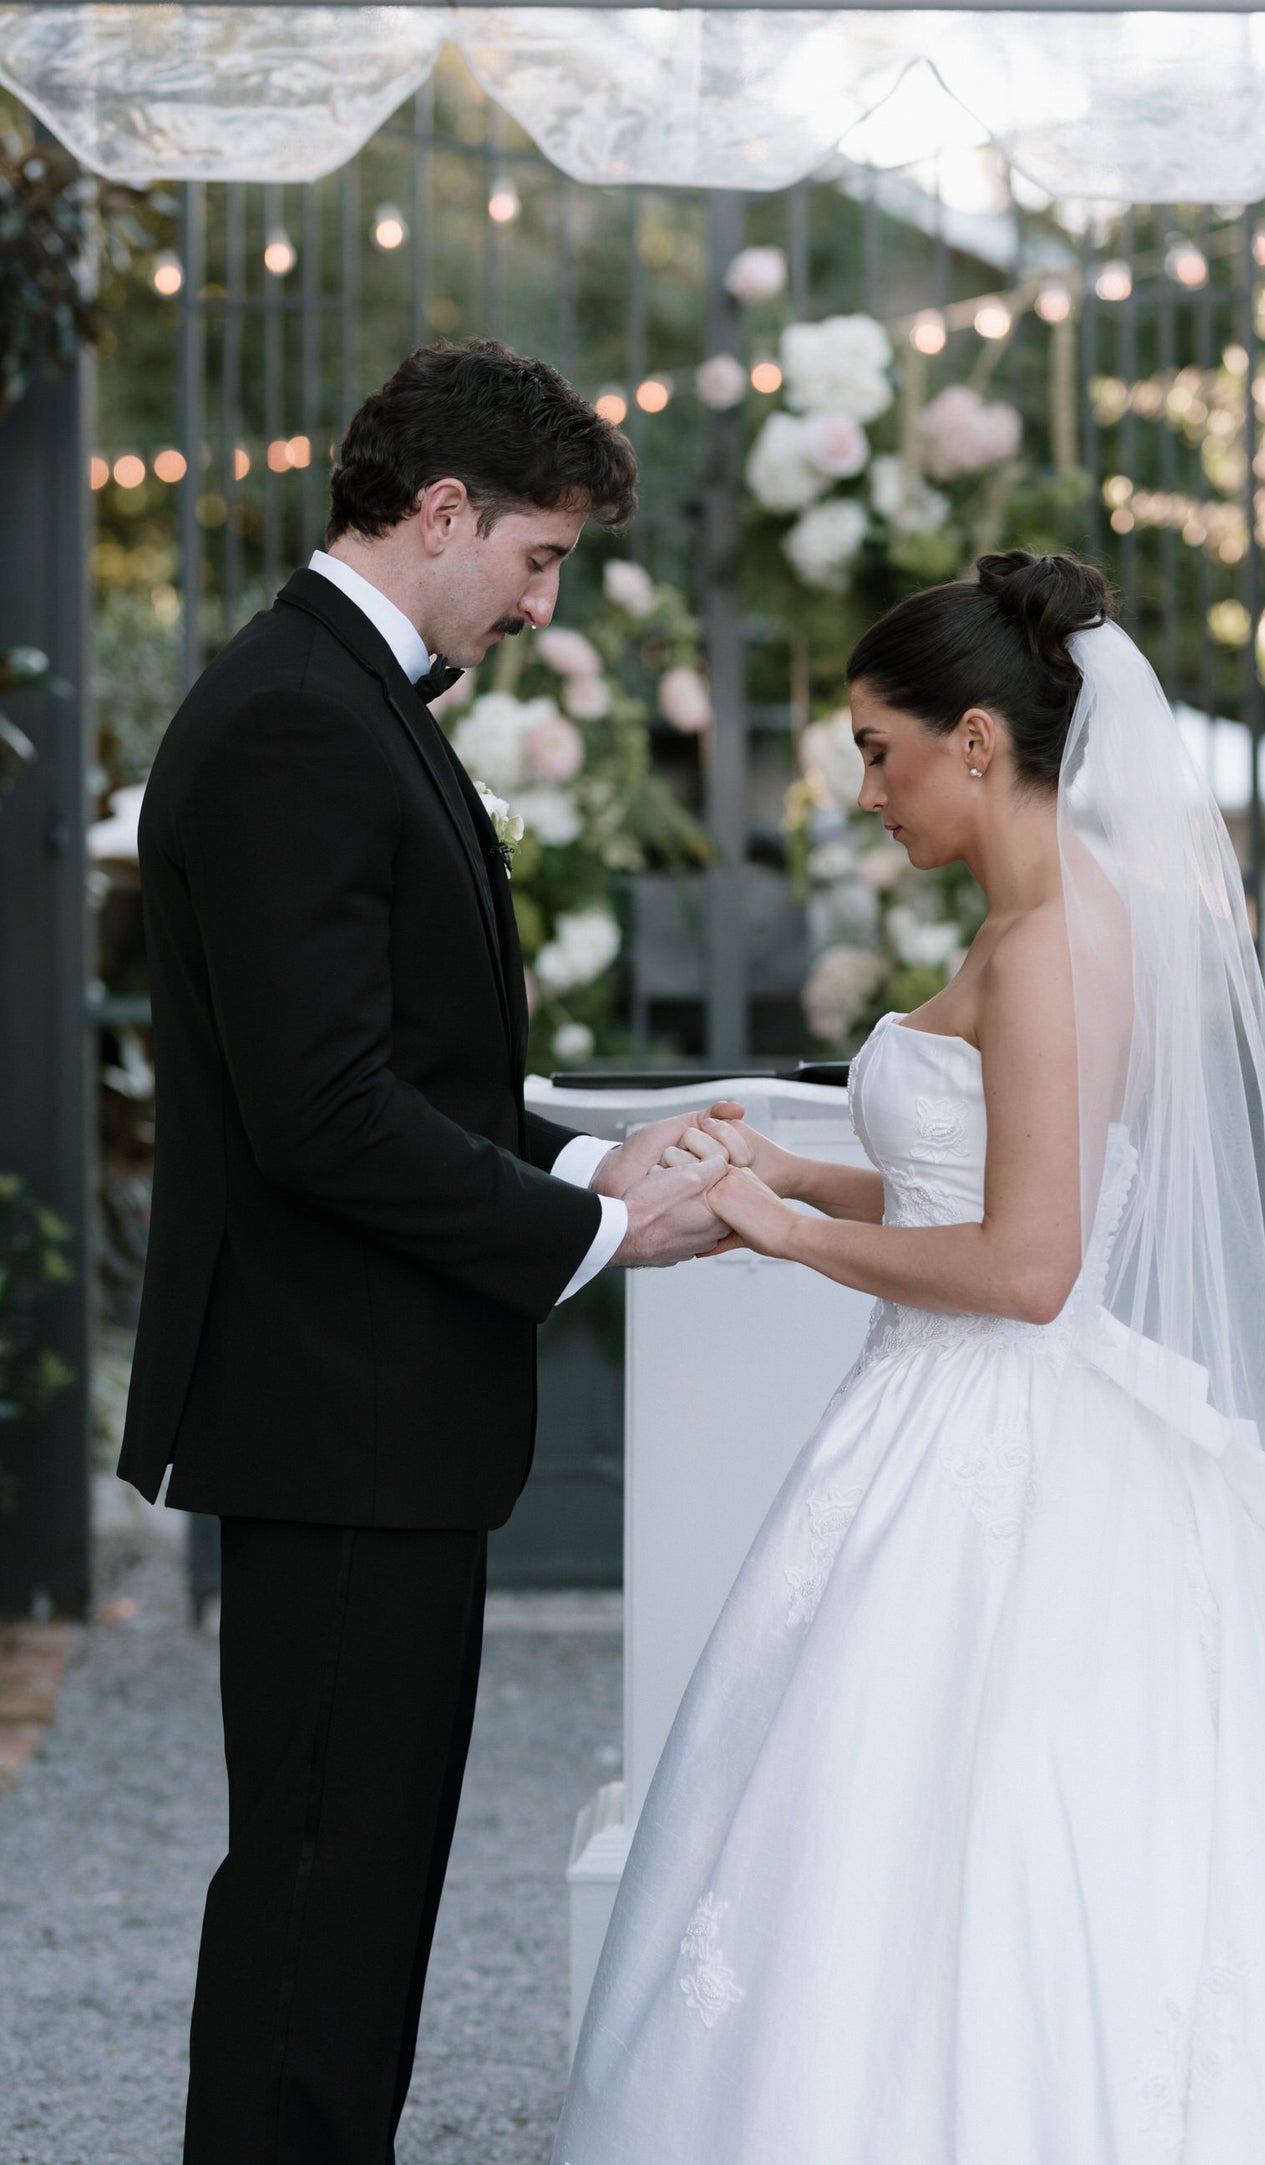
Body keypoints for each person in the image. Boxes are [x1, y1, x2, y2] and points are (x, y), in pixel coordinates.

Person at [553, 552, 1265, 2164]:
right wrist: (791, 1172)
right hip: (971, 1412)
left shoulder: (1046, 946)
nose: (863, 792)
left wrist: (787, 1231)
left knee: (963, 1825)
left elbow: (1030, 1270)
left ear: (976, 739)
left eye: (878, 753)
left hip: (997, 1427)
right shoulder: (1048, 916)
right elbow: (986, 1183)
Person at [118, 338, 735, 2165]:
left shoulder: (342, 694)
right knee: (322, 1890)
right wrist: (599, 1224)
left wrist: (576, 1145)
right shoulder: (303, 715)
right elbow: (318, 1111)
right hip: (335, 1405)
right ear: (443, 511)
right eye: (537, 556)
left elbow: (406, 1063)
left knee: (354, 1879)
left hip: (363, 1404)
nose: (545, 602)